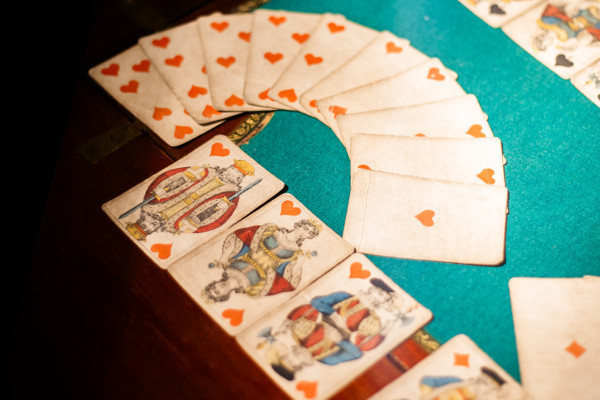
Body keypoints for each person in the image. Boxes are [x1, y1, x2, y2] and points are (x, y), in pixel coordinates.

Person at [125, 159, 256, 240]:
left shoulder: (232, 192)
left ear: (239, 179)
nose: (151, 225)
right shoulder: (155, 209)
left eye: (237, 174)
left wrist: (222, 207)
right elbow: (176, 178)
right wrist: (162, 190)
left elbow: (218, 218)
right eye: (149, 229)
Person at [201, 219, 321, 303]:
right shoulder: (253, 290)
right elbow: (288, 284)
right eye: (218, 292)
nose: (219, 288)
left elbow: (241, 235)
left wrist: (224, 256)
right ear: (225, 295)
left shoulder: (226, 264)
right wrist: (299, 264)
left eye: (309, 233)